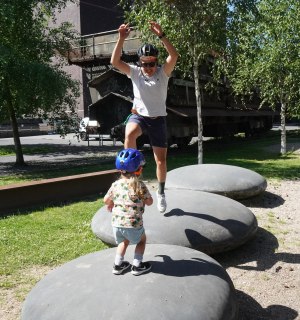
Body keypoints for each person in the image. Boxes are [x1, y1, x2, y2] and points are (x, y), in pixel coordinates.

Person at [110, 20, 179, 213]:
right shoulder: (135, 73)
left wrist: (162, 35)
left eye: (151, 64)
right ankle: (130, 179)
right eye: (144, 64)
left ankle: (162, 192)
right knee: (129, 133)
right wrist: (121, 38)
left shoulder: (163, 73)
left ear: (156, 62)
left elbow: (174, 55)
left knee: (161, 161)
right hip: (139, 116)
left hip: (158, 120)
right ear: (139, 62)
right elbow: (115, 62)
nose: (148, 67)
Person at [104, 148, 153, 276]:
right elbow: (149, 202)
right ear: (139, 169)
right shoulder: (139, 185)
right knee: (141, 241)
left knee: (123, 242)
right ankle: (137, 266)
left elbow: (106, 200)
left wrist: (112, 203)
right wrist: (143, 199)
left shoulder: (115, 185)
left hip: (117, 224)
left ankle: (118, 265)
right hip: (133, 223)